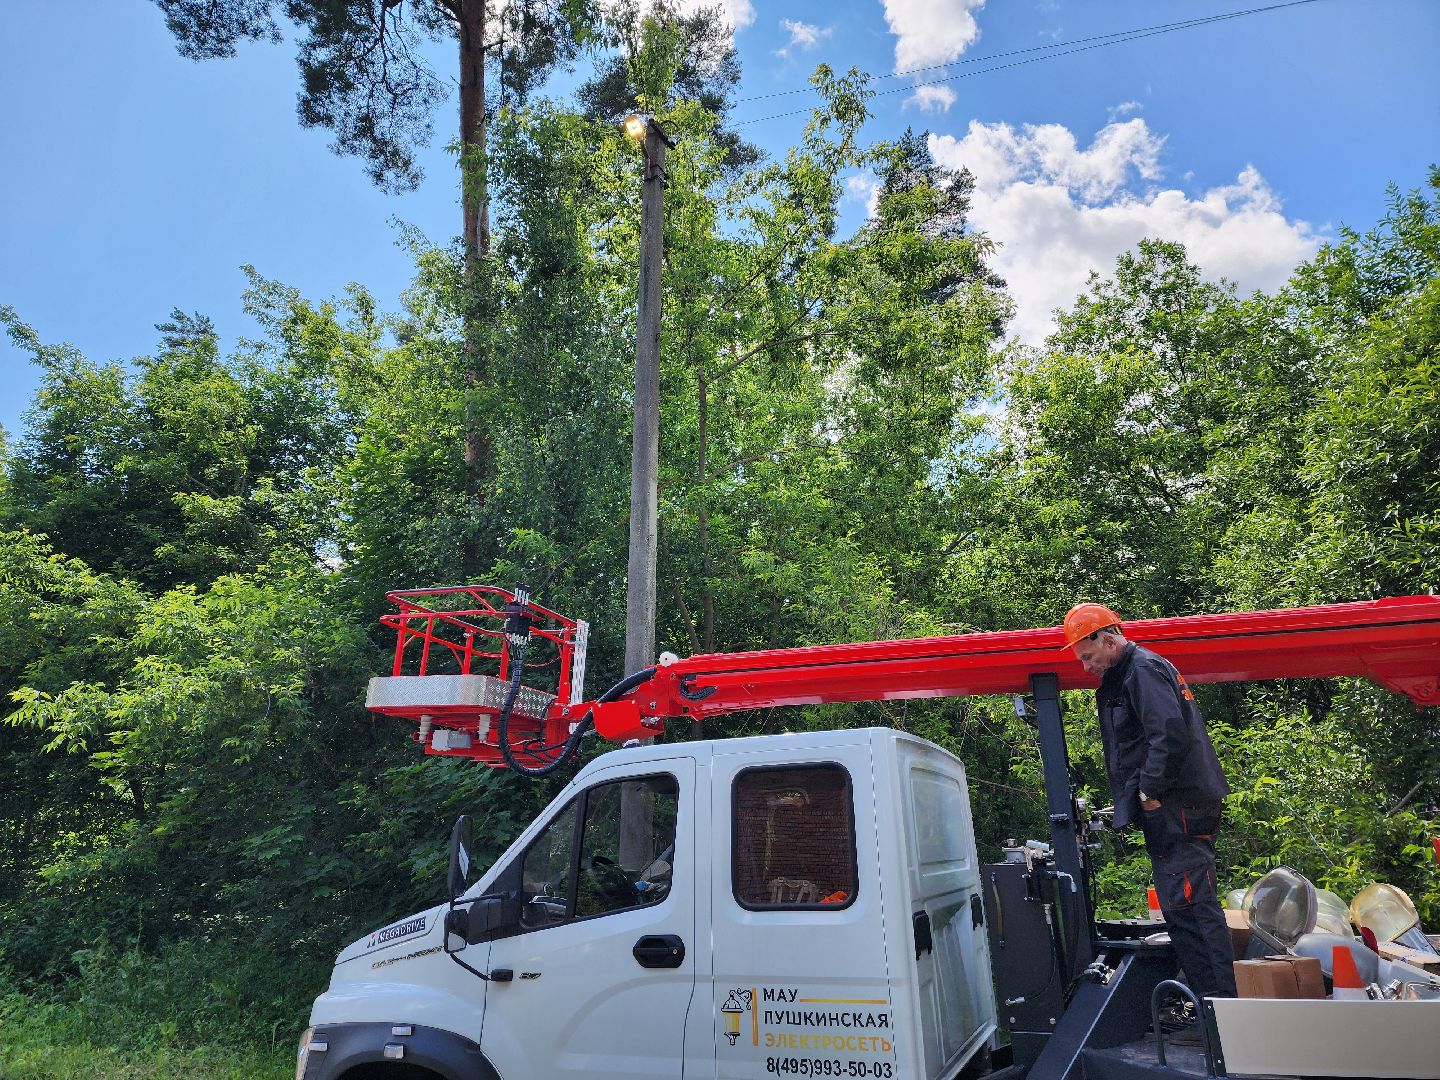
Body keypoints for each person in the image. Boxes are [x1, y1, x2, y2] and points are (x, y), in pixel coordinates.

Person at [1064, 602, 1238, 1000]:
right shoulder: (1129, 673)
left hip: (1178, 808)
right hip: (1173, 808)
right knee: (1181, 909)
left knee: (1193, 908)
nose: (1086, 666)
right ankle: (1211, 1007)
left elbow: (1169, 735)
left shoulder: (1142, 669)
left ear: (1108, 639)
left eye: (1088, 656)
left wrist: (1148, 792)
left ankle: (1223, 1013)